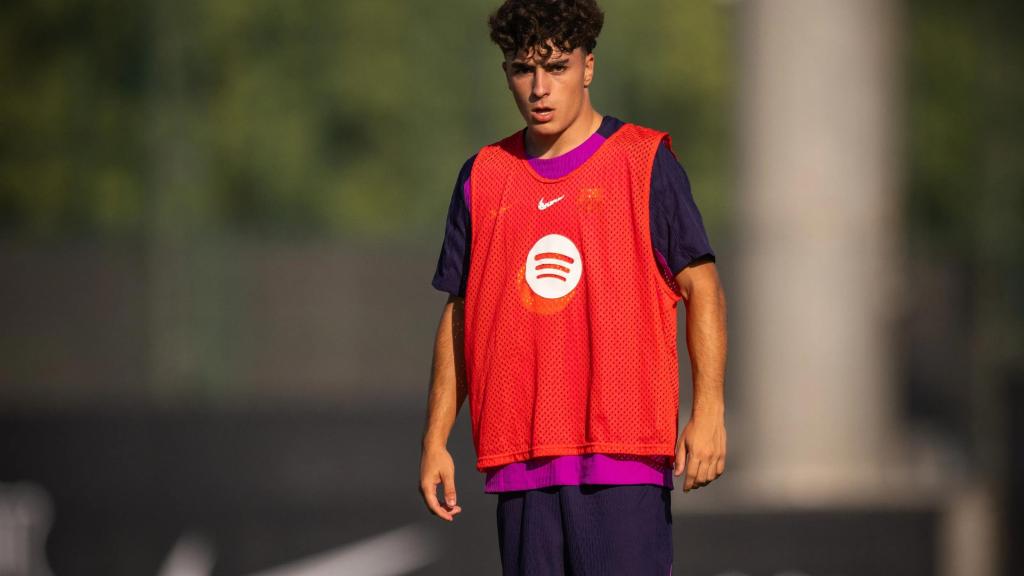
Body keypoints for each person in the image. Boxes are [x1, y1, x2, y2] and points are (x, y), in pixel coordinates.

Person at [419, 0, 728, 573]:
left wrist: (708, 409)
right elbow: (462, 311)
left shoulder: (644, 161)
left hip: (623, 458)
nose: (539, 87)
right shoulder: (481, 176)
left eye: (556, 66)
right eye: (522, 68)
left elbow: (701, 285)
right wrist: (437, 438)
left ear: (588, 67)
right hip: (520, 462)